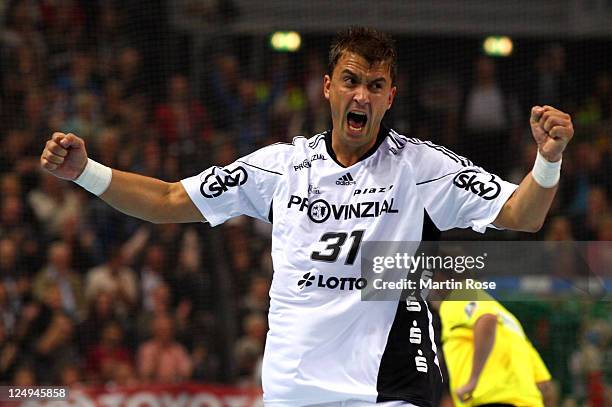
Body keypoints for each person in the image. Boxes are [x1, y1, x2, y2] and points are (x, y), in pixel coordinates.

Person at [40, 27, 574, 407]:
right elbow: (167, 201)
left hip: (389, 382)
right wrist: (87, 172)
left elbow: (520, 215)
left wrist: (546, 161)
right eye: (350, 80)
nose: (361, 94)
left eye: (375, 85)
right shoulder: (281, 167)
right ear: (327, 87)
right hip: (295, 384)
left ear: (391, 97)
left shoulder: (422, 167)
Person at [435, 289, 556, 407]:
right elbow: (545, 386)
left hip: (490, 400)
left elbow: (487, 319)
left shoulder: (460, 296)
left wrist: (473, 381)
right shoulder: (512, 325)